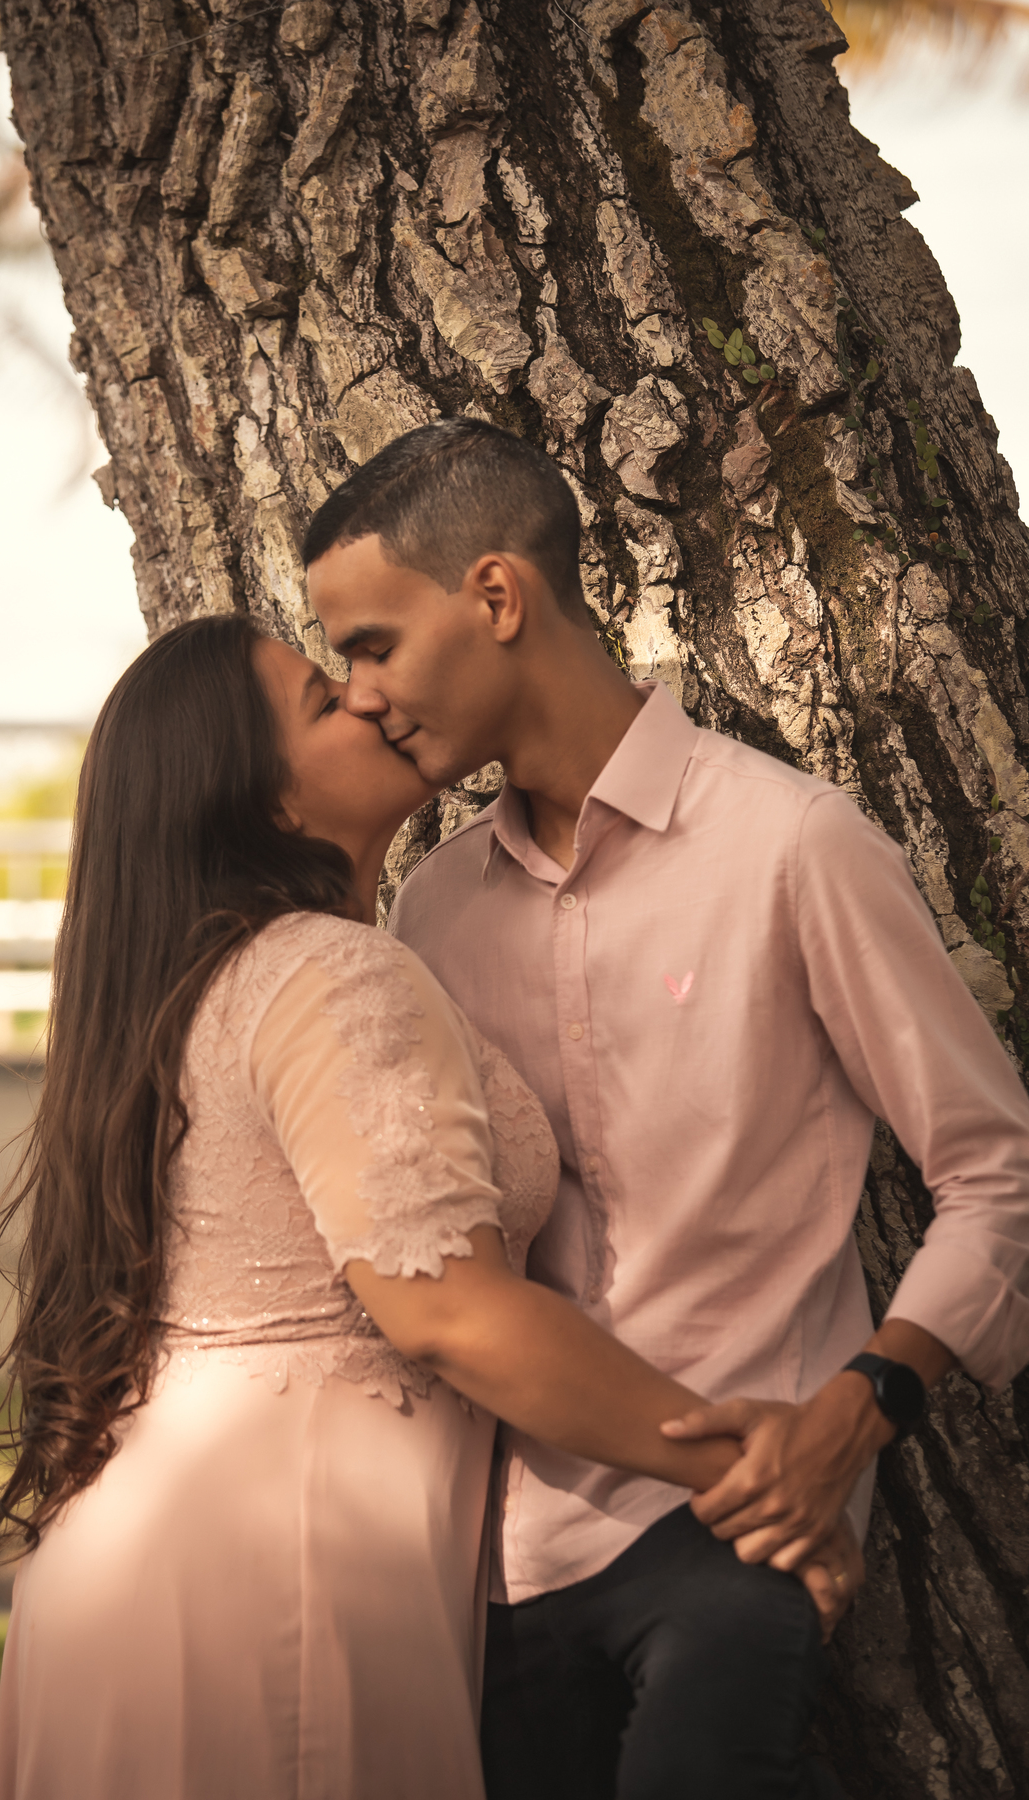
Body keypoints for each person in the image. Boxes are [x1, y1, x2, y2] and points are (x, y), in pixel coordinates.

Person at [0, 615, 855, 1800]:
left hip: (139, 1570)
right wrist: (748, 1464)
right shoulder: (332, 976)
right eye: (319, 698)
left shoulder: (191, 988)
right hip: (283, 1577)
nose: (369, 698)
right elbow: (449, 1312)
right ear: (260, 799)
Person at [302, 416, 1029, 1800]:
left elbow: (997, 1172)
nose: (363, 695)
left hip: (739, 1529)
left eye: (372, 642)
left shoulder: (791, 848)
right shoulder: (435, 906)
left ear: (498, 597)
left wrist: (866, 1404)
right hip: (495, 1560)